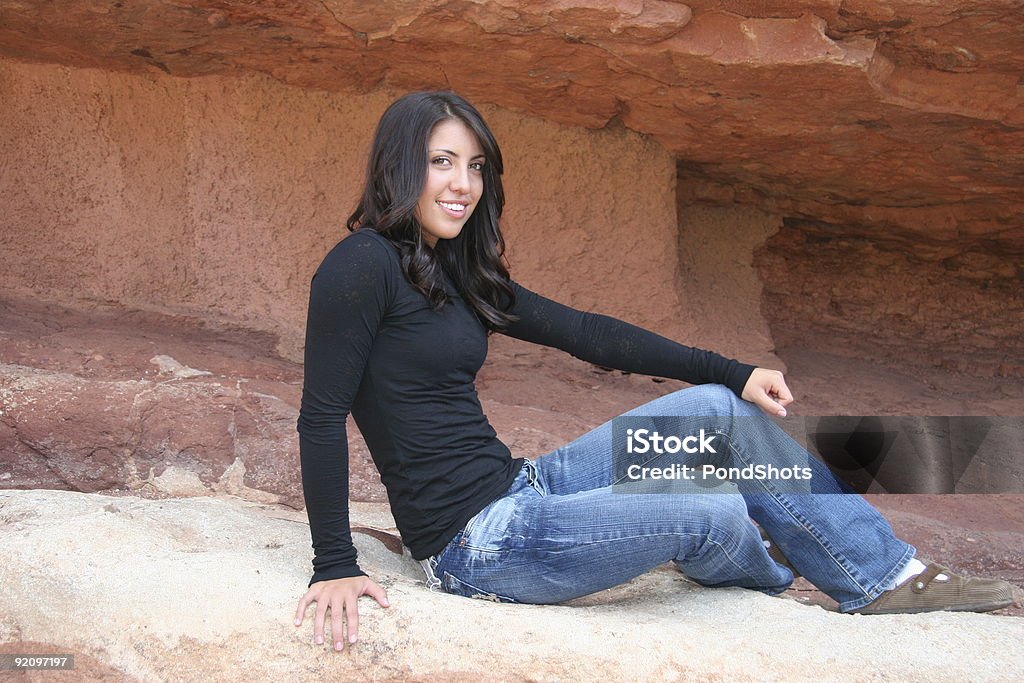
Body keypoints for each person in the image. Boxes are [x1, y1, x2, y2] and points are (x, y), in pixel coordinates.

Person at [292, 91, 1016, 651]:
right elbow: (320, 415)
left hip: (526, 486)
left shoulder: (456, 268)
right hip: (475, 544)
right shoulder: (358, 266)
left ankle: (884, 575)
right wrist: (333, 564)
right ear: (400, 165)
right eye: (442, 161)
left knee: (716, 413)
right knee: (709, 508)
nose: (464, 183)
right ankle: (761, 567)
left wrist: (732, 371)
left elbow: (588, 334)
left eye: (474, 165)